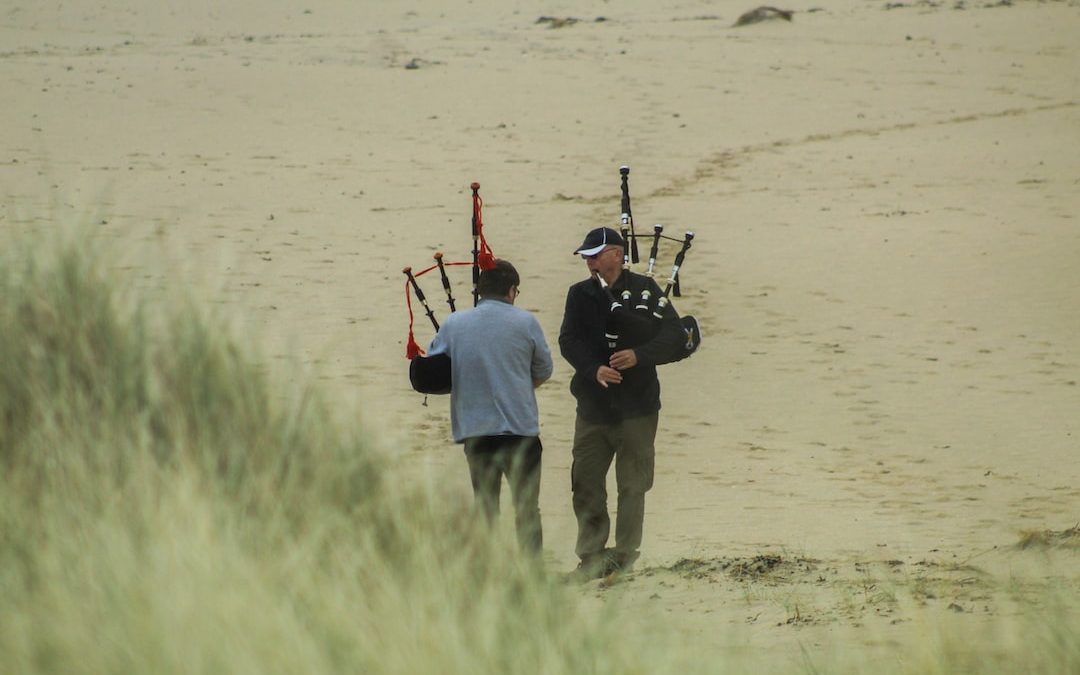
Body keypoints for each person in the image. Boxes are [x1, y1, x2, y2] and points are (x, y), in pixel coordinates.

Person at [559, 227, 686, 579]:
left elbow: (676, 336)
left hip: (638, 408)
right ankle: (591, 556)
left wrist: (639, 356)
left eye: (596, 255)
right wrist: (593, 369)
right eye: (586, 256)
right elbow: (568, 340)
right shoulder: (579, 295)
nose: (590, 262)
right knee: (585, 483)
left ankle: (625, 556)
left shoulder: (647, 291)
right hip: (593, 408)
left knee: (632, 485)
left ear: (617, 254)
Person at [427, 259, 554, 554]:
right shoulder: (526, 322)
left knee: (485, 508)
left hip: (476, 431)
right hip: (520, 431)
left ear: (480, 291)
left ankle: (488, 576)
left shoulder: (455, 323)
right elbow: (544, 369)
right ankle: (532, 574)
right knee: (527, 509)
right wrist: (517, 387)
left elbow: (432, 366)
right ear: (511, 291)